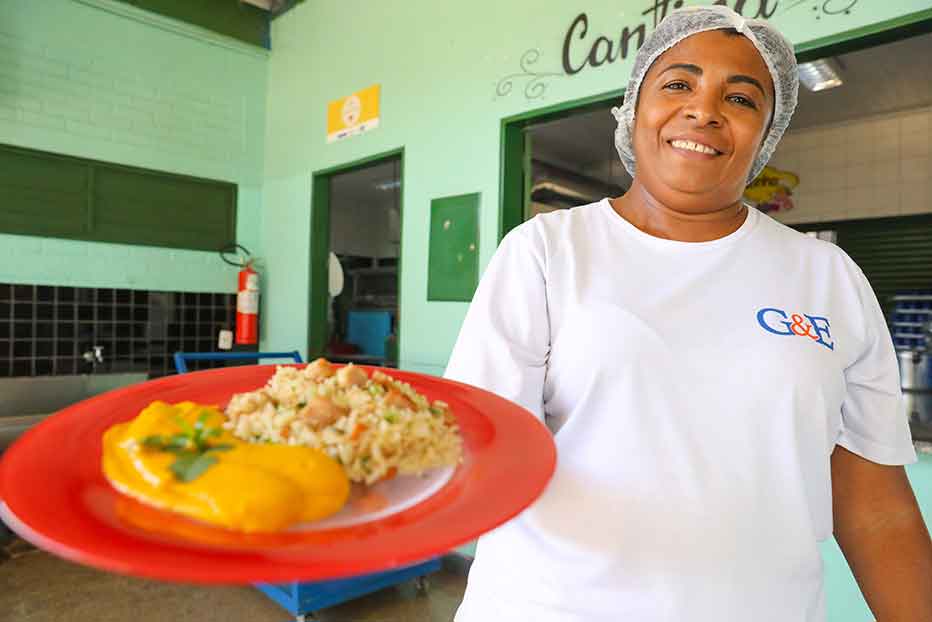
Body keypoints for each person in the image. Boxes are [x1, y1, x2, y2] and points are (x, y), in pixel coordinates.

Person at [444, 6, 932, 621]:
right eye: (678, 84)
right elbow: (471, 449)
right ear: (635, 105)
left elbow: (876, 508)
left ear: (767, 132)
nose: (704, 109)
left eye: (742, 98)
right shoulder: (547, 252)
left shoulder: (827, 278)